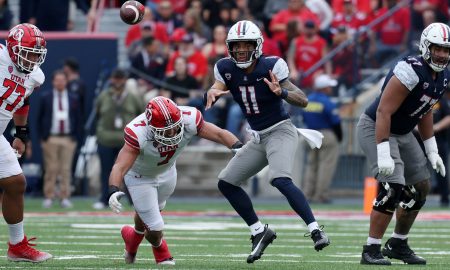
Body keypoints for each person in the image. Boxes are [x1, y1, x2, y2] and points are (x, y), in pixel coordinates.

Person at [204, 20, 330, 264]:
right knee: (226, 182)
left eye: (246, 45)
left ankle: (316, 230)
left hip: (281, 131)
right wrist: (213, 90)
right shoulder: (224, 67)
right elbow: (218, 85)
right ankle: (259, 231)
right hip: (258, 137)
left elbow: (302, 100)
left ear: (257, 46)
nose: (241, 51)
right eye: (236, 46)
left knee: (280, 179)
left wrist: (281, 92)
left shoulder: (272, 66)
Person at [107, 96, 243, 266]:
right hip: (140, 177)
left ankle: (131, 239)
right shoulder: (138, 131)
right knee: (155, 227)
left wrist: (238, 147)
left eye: (175, 127)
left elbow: (219, 133)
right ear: (152, 126)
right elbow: (119, 166)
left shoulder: (188, 118)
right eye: (166, 130)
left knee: (149, 214)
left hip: (167, 172)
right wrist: (113, 189)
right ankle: (162, 252)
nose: (172, 133)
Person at [356, 22, 450, 265]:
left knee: (421, 187)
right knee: (392, 187)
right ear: (425, 46)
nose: (442, 54)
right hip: (375, 125)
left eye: (446, 50)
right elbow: (384, 112)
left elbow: (426, 110)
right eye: (437, 48)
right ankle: (371, 249)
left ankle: (397, 243)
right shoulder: (409, 69)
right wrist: (383, 150)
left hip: (405, 132)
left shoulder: (443, 75)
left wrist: (432, 150)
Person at [0, 23, 52, 262]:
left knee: (15, 183)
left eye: (36, 54)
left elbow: (22, 101)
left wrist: (21, 133)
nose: (32, 59)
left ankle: (17, 246)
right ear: (12, 48)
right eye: (28, 52)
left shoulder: (36, 75)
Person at [92, 68, 143, 210]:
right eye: (116, 78)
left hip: (127, 141)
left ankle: (134, 200)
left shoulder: (133, 97)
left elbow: (141, 116)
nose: (118, 81)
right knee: (106, 171)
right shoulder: (103, 96)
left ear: (125, 80)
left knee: (130, 172)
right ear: (111, 79)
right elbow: (97, 115)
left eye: (120, 78)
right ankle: (104, 199)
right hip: (106, 139)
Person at [302, 74, 342, 203]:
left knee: (311, 165)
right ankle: (320, 195)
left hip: (310, 134)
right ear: (324, 88)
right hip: (326, 134)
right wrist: (339, 137)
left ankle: (307, 194)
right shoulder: (327, 102)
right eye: (329, 86)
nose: (330, 88)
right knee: (326, 166)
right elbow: (336, 122)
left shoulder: (307, 100)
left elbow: (304, 118)